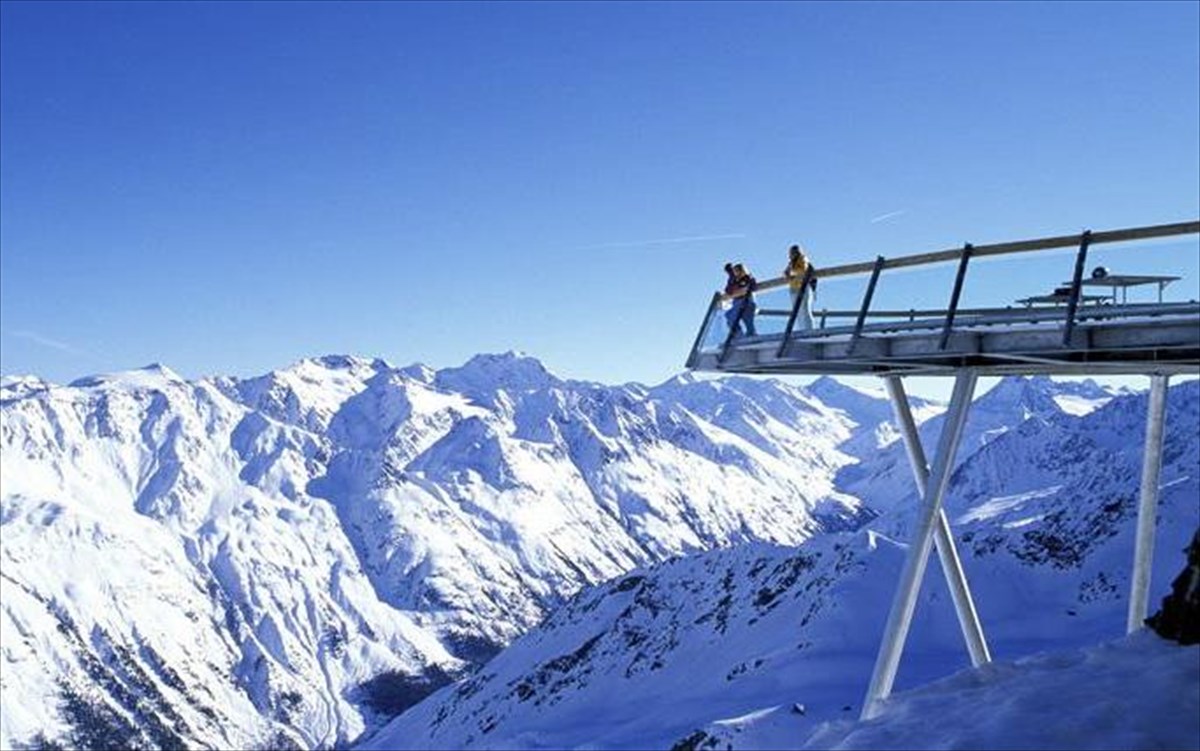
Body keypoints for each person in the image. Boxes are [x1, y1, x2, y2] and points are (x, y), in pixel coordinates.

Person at [783, 244, 815, 330]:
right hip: (794, 289)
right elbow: (785, 273)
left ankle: (809, 330)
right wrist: (788, 274)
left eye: (792, 253)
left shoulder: (803, 259)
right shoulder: (791, 263)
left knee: (804, 310)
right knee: (798, 312)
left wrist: (791, 273)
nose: (790, 255)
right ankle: (802, 329)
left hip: (803, 287)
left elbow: (803, 271)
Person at [724, 262, 758, 337]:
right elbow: (728, 291)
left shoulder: (747, 278)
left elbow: (753, 286)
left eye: (737, 271)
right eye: (734, 271)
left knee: (747, 320)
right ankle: (739, 334)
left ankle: (751, 334)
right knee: (730, 316)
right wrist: (731, 279)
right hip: (738, 302)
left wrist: (744, 289)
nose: (736, 273)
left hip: (747, 302)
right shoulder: (734, 280)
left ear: (742, 270)